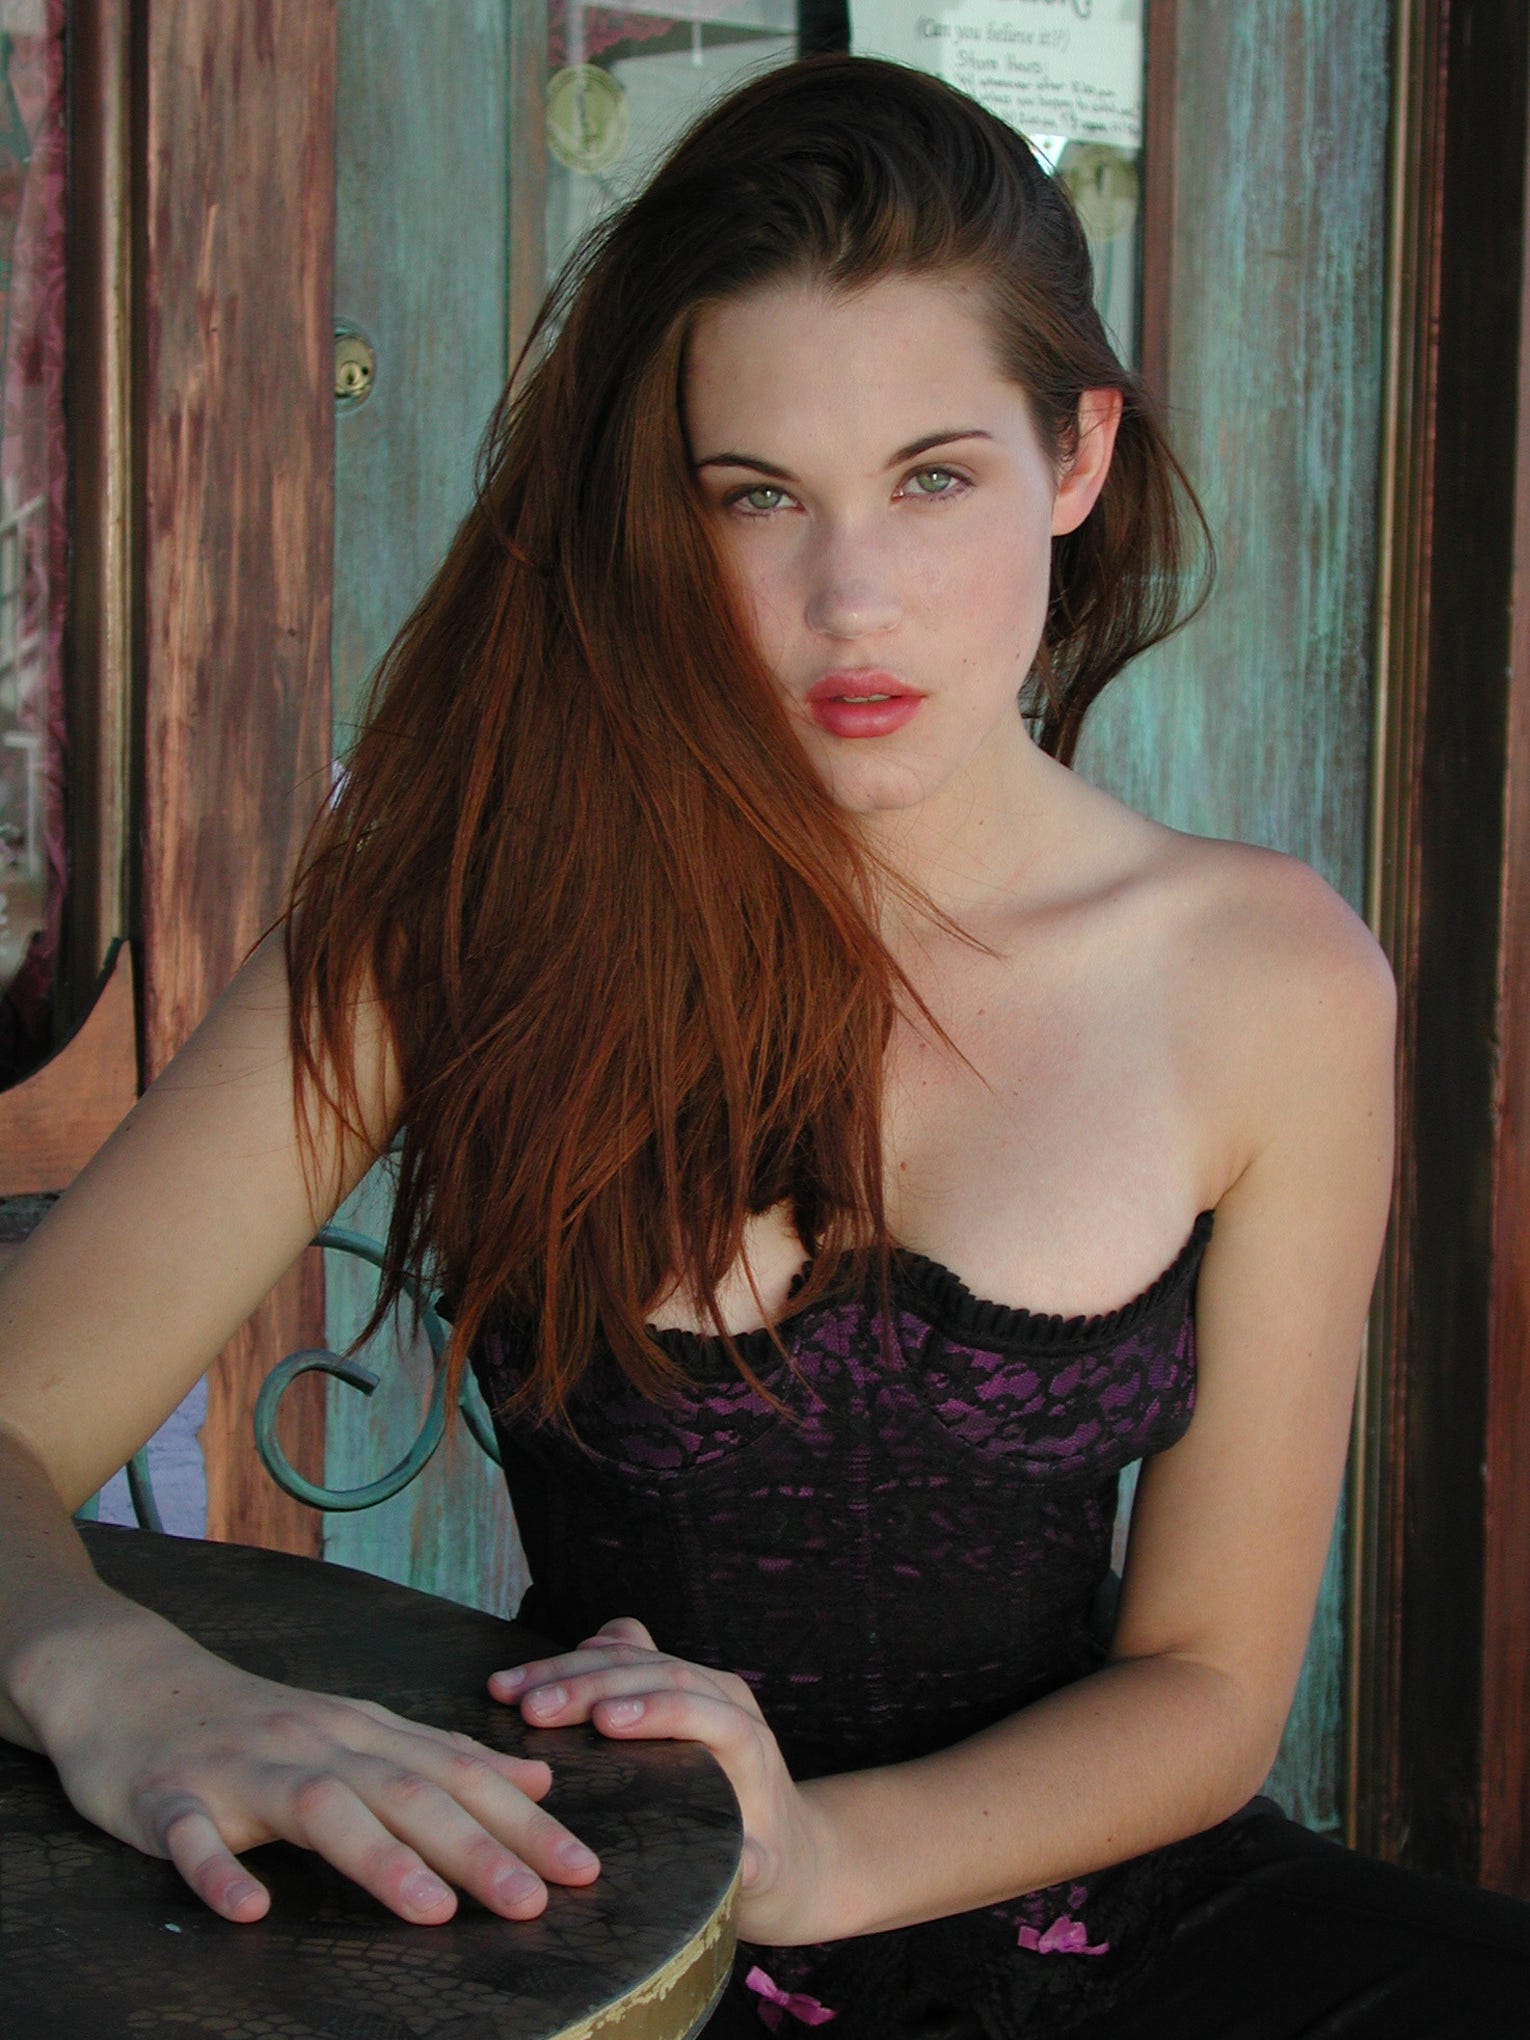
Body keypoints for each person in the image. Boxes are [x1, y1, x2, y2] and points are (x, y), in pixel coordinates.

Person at [0, 52, 1525, 2039]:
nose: (850, 598)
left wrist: (820, 1856)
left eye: (933, 478)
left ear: (1075, 455)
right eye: (758, 497)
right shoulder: (454, 925)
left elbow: (1212, 1685)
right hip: (618, 1937)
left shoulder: (1269, 977)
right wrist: (126, 1686)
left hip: (1121, 1935)